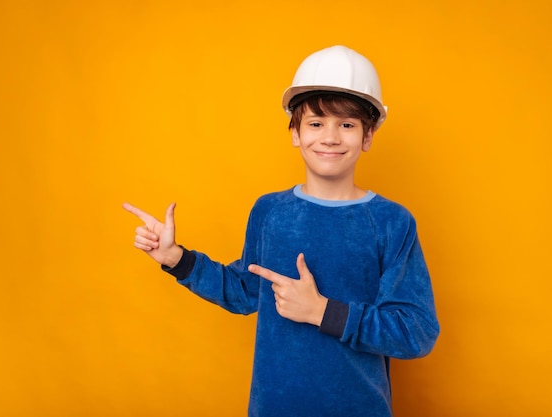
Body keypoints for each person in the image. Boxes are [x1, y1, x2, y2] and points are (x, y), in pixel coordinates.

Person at [123, 45, 439, 417]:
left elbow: (415, 331)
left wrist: (323, 312)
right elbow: (243, 291)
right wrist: (176, 259)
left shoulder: (392, 222)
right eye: (316, 123)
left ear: (368, 136)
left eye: (348, 125)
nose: (330, 137)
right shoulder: (270, 211)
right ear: (295, 132)